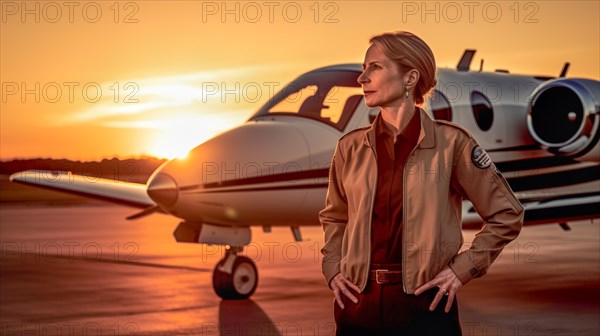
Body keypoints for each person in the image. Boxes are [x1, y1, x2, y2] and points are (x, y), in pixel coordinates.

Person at [319, 31, 525, 335]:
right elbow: (336, 216)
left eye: (375, 67)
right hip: (356, 308)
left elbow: (507, 214)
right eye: (364, 68)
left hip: (425, 308)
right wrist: (333, 269)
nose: (362, 78)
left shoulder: (452, 144)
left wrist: (461, 270)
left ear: (410, 77)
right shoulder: (349, 148)